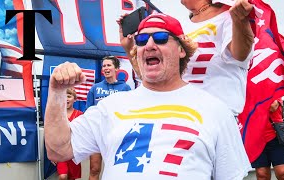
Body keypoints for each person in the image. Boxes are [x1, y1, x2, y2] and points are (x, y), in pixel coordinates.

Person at [45, 14, 251, 179]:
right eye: (142, 40)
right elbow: (59, 150)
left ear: (181, 49)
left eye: (160, 38)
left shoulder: (215, 110)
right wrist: (56, 92)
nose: (149, 45)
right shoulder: (111, 106)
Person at [118, 0, 254, 117]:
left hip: (217, 116)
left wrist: (240, 21)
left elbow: (240, 55)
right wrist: (128, 48)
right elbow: (153, 77)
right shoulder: (181, 26)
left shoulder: (229, 15)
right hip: (179, 115)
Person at [86, 56, 131, 180]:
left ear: (116, 68)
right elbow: (88, 112)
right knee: (94, 169)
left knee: (116, 170)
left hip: (117, 134)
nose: (105, 68)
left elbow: (129, 112)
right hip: (97, 134)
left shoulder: (125, 88)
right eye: (104, 66)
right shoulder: (95, 88)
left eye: (109, 65)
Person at [251, 98, 284, 180]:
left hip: (276, 137)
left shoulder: (274, 90)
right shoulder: (251, 93)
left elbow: (272, 106)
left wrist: (253, 105)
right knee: (262, 174)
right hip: (257, 139)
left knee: (283, 173)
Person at [55, 88, 83, 180]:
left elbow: (84, 135)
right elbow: (53, 135)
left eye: (69, 96)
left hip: (74, 152)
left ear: (74, 99)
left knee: (72, 177)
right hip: (61, 152)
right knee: (63, 176)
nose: (66, 99)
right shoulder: (57, 115)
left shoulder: (80, 115)